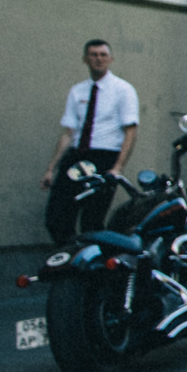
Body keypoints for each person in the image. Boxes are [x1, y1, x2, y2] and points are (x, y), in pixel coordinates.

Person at [40, 38, 140, 244]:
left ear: (110, 59)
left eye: (103, 55)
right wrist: (51, 168)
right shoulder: (78, 91)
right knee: (56, 218)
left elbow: (130, 132)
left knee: (92, 221)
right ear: (85, 59)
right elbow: (68, 132)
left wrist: (117, 168)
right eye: (93, 55)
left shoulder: (123, 90)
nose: (98, 59)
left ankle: (95, 272)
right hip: (77, 157)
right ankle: (72, 259)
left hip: (104, 158)